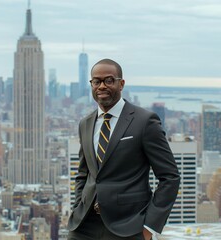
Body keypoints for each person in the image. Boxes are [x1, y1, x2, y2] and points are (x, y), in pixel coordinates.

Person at [67, 58, 180, 240]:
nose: (101, 86)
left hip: (128, 226)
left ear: (121, 84)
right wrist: (78, 206)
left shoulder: (144, 121)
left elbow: (170, 177)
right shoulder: (85, 123)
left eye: (108, 80)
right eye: (96, 81)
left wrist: (150, 227)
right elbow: (84, 173)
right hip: (84, 226)